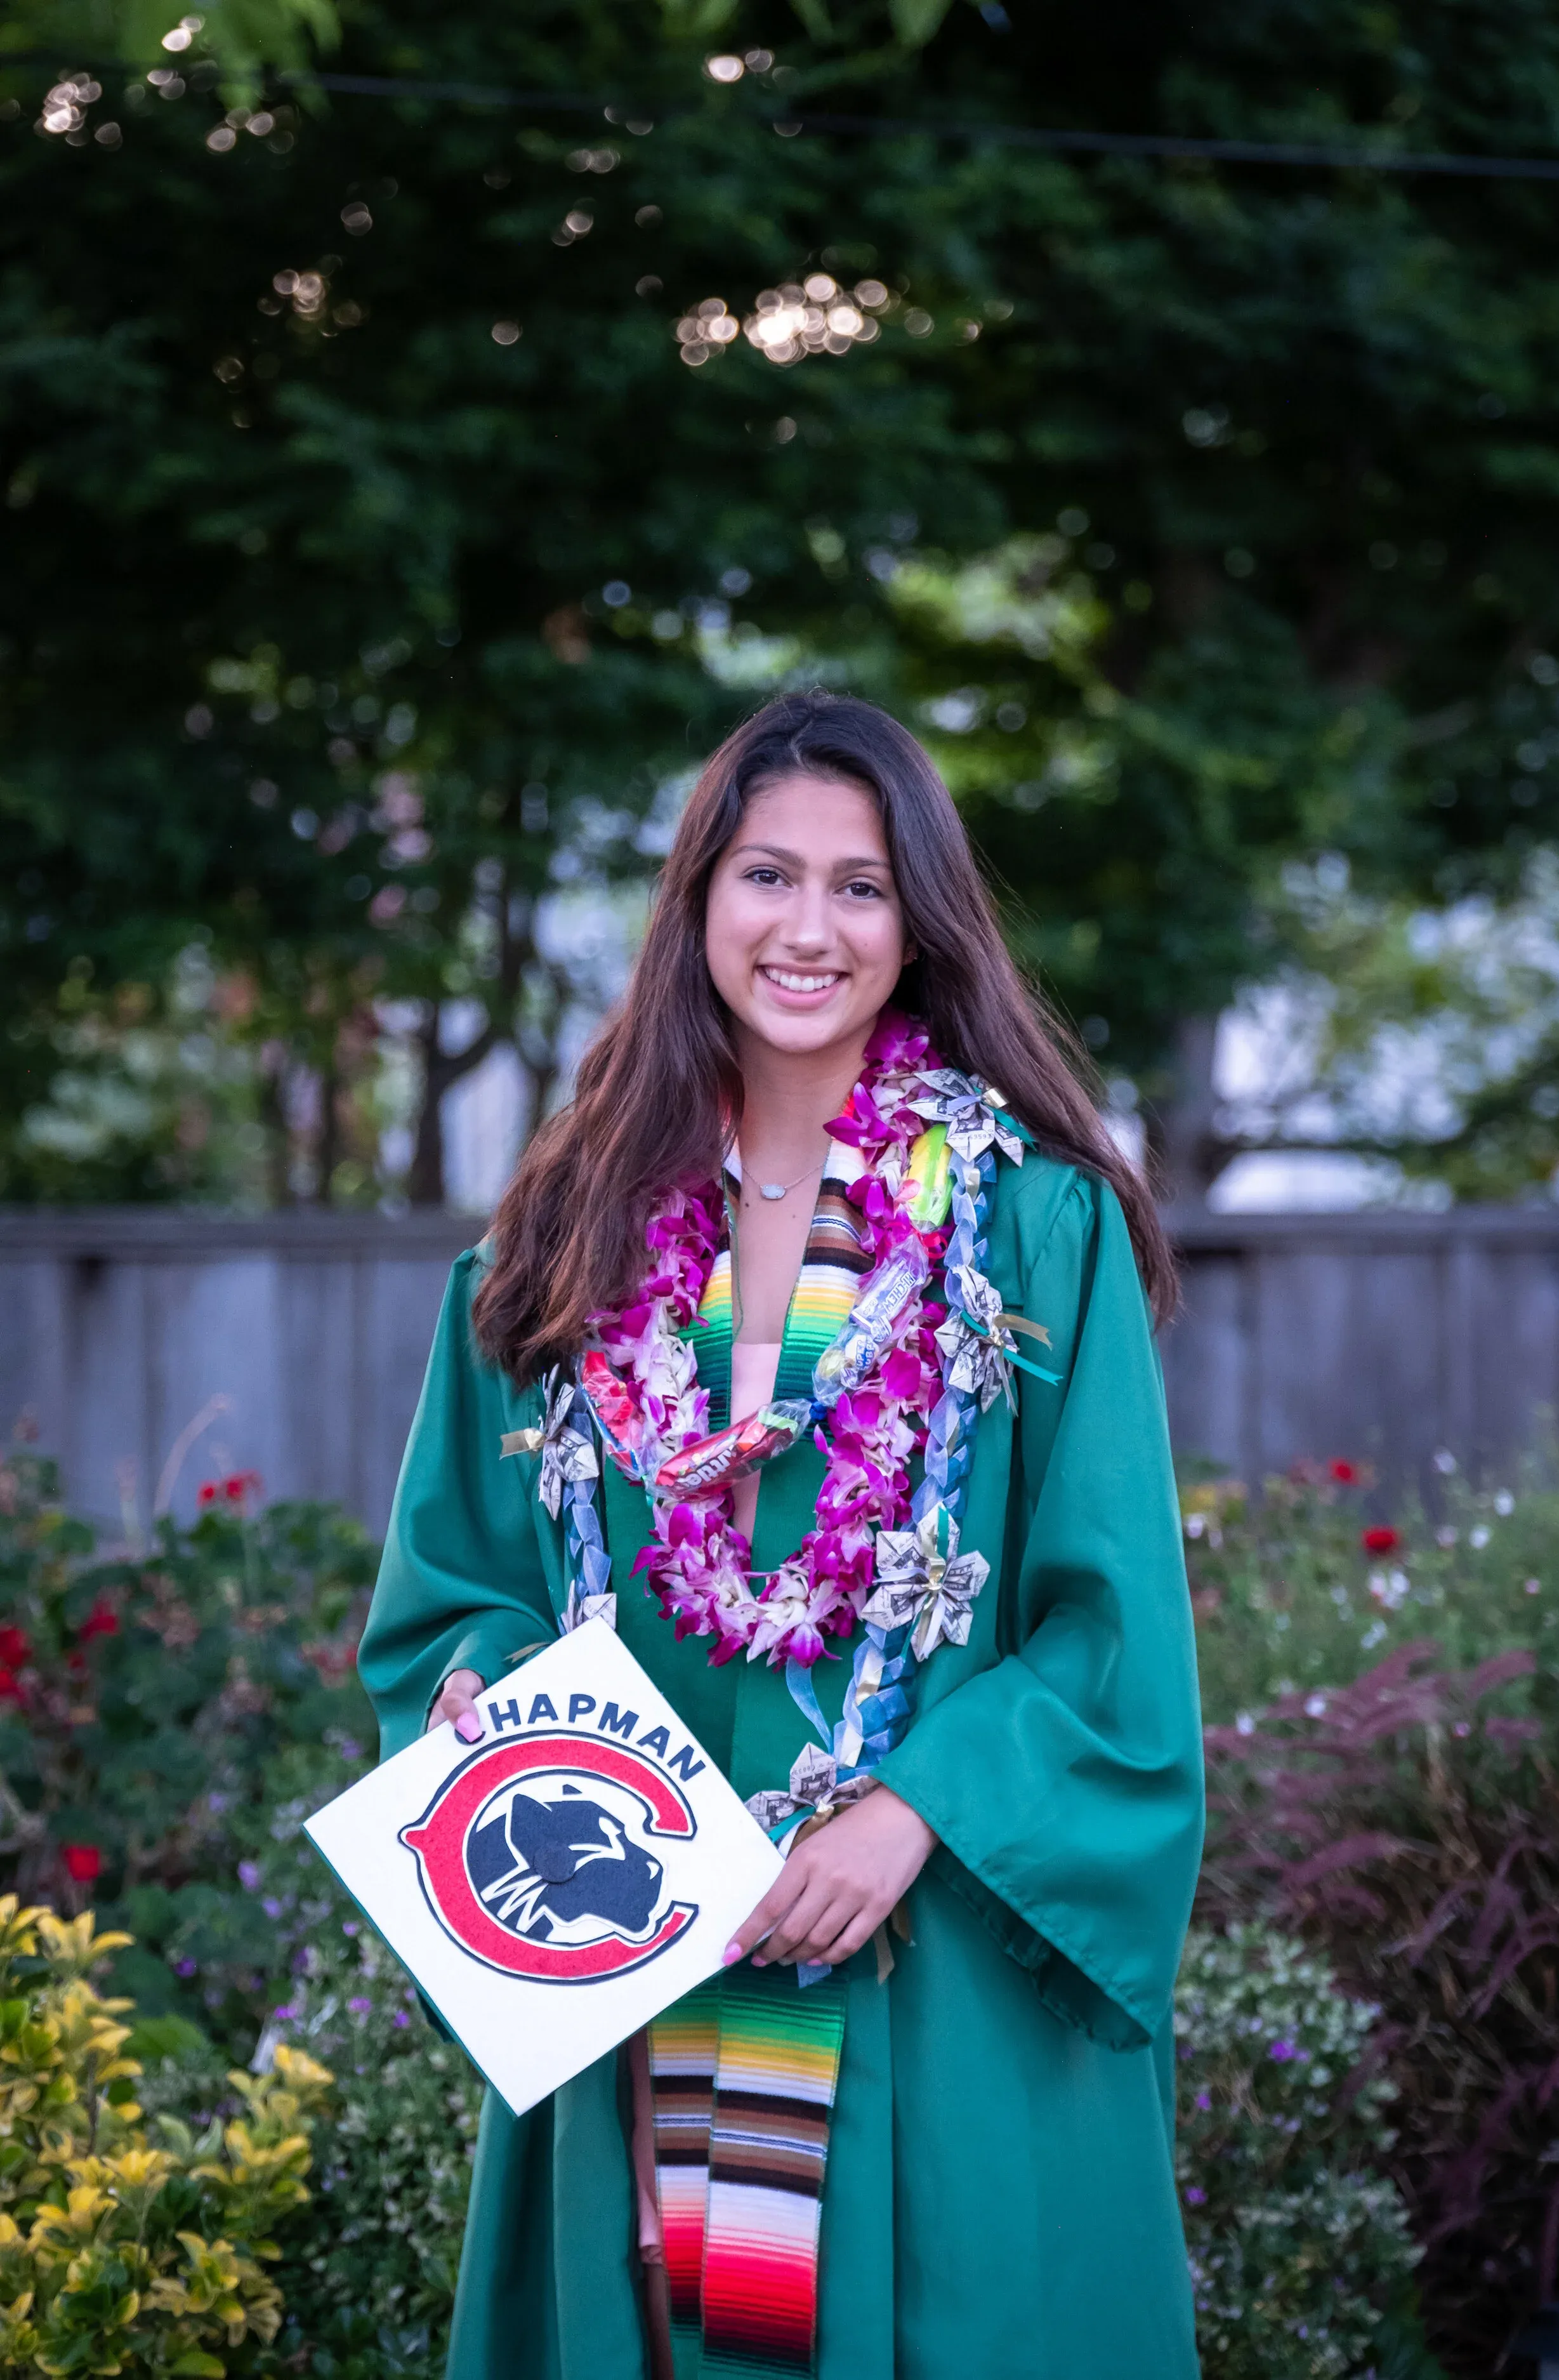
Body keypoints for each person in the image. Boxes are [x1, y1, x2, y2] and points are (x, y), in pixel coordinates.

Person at [358, 689, 1204, 2380]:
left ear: (920, 925)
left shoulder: (1027, 1240)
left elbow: (1110, 1636)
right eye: (765, 874)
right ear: (695, 904)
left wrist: (911, 1811)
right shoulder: (561, 1249)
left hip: (926, 1979)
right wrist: (484, 1711)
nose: (807, 927)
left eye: (861, 885)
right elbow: (451, 1595)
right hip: (639, 1974)